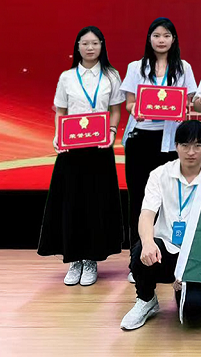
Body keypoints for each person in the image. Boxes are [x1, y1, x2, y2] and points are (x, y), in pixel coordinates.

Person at [38, 26, 124, 286]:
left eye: (95, 43)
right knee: (71, 203)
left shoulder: (111, 75)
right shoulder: (67, 77)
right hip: (72, 150)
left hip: (99, 149)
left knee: (95, 203)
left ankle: (91, 260)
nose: (90, 47)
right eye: (85, 43)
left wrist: (112, 132)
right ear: (77, 47)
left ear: (102, 45)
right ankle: (74, 260)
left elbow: (116, 110)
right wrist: (58, 135)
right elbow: (61, 111)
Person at [121, 18, 197, 279]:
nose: (161, 40)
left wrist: (188, 103)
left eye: (166, 35)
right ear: (149, 39)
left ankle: (168, 258)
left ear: (174, 39)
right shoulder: (136, 67)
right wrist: (137, 110)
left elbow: (189, 103)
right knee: (138, 200)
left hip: (169, 142)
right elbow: (129, 103)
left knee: (168, 200)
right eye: (156, 35)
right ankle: (137, 260)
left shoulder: (183, 68)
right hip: (140, 139)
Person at [121, 120, 201, 330]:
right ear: (176, 145)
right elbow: (146, 214)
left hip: (198, 255)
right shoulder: (160, 174)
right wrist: (147, 242)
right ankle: (146, 300)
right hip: (166, 250)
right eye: (185, 145)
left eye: (198, 145)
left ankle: (188, 290)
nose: (191, 152)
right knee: (140, 251)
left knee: (194, 314)